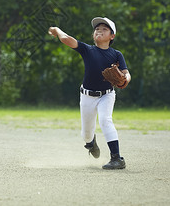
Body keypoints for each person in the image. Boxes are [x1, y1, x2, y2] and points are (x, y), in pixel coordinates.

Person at [48, 17, 131, 170]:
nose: (99, 30)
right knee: (86, 134)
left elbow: (126, 73)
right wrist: (57, 30)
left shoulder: (116, 54)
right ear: (93, 35)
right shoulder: (88, 49)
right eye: (97, 29)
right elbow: (67, 39)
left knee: (105, 121)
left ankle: (117, 158)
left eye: (104, 29)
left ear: (112, 36)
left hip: (107, 94)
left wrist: (126, 78)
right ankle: (91, 144)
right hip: (87, 96)